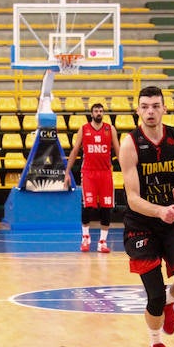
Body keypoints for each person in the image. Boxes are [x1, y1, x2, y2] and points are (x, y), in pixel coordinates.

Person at [118, 86, 174, 347]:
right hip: (141, 224)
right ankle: (156, 346)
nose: (150, 111)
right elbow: (132, 198)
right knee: (153, 295)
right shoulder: (130, 144)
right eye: (145, 106)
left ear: (165, 108)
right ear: (138, 110)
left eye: (155, 106)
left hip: (173, 220)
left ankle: (169, 301)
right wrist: (158, 211)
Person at [64, 102, 121, 253]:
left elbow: (118, 151)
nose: (98, 113)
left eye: (101, 111)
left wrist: (127, 171)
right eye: (96, 111)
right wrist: (67, 172)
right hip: (88, 173)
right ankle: (85, 238)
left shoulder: (110, 129)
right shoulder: (84, 129)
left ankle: (102, 242)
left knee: (106, 208)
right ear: (91, 114)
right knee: (87, 206)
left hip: (105, 173)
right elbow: (75, 151)